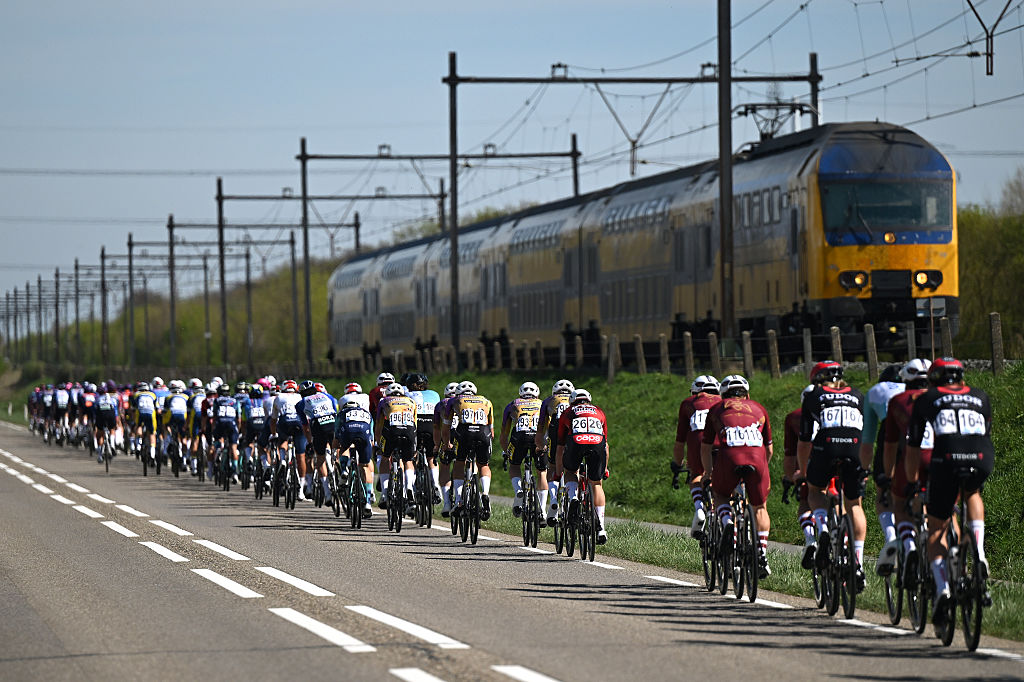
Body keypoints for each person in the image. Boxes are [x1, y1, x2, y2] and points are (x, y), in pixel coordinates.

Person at [905, 357, 994, 634]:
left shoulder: (926, 398)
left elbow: (914, 447)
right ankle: (978, 551)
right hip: (981, 456)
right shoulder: (981, 396)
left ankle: (943, 588)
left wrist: (913, 482)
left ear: (934, 379)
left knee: (937, 528)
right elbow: (985, 430)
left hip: (945, 459)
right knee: (972, 493)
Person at [797, 361, 868, 592]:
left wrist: (805, 472)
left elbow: (805, 440)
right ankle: (857, 563)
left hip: (826, 448)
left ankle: (824, 526)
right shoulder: (858, 395)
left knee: (816, 491)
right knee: (854, 503)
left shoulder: (814, 395)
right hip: (855, 448)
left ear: (817, 379)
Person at [701, 375, 773, 577]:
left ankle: (727, 523)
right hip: (757, 458)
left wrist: (708, 473)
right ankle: (762, 554)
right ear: (747, 394)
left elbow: (706, 446)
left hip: (729, 456)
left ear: (722, 396)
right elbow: (769, 449)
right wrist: (762, 469)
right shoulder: (759, 408)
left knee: (721, 495)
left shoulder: (717, 409)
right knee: (759, 506)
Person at [880, 359, 932, 581]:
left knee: (899, 503)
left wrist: (887, 476)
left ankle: (909, 544)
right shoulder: (941, 398)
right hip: (944, 458)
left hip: (911, 458)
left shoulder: (898, 400)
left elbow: (890, 445)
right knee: (945, 511)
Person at [858, 363, 905, 575]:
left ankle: (891, 537)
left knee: (883, 491)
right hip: (925, 438)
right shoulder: (916, 391)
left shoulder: (875, 392)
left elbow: (867, 442)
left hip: (891, 438)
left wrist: (864, 470)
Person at [556, 388, 610, 544]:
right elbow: (605, 445)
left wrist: (559, 473)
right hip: (597, 444)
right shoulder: (599, 411)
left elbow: (560, 446)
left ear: (572, 400)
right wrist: (604, 469)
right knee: (596, 483)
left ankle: (573, 497)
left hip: (576, 442)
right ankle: (601, 528)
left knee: (571, 472)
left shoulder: (568, 411)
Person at [672, 375, 721, 538]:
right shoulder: (724, 401)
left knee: (697, 475)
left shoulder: (688, 403)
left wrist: (677, 465)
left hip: (698, 441)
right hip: (725, 441)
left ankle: (700, 509)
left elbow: (680, 441)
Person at [442, 381, 495, 520]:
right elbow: (492, 430)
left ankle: (459, 500)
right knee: (483, 465)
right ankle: (485, 493)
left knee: (459, 463)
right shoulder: (486, 401)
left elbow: (446, 427)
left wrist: (447, 443)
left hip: (464, 433)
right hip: (483, 433)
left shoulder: (454, 400)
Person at [499, 382, 546, 524]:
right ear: (537, 393)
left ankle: (519, 490)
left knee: (514, 465)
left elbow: (503, 435)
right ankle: (543, 510)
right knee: (541, 471)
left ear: (520, 393)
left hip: (519, 437)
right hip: (538, 437)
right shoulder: (542, 404)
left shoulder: (513, 404)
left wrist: (507, 452)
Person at [783, 384, 817, 565]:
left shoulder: (795, 416)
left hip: (811, 465)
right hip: (841, 458)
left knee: (806, 502)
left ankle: (810, 538)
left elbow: (790, 455)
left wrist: (792, 477)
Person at [536, 379, 574, 526]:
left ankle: (553, 500)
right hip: (573, 431)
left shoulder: (548, 401)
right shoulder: (575, 400)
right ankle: (573, 498)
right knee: (573, 469)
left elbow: (541, 428)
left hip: (555, 430)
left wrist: (541, 446)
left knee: (552, 466)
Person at [374, 382, 418, 511]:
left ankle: (385, 492)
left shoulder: (384, 401)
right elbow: (415, 424)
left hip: (392, 431)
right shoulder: (411, 401)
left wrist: (378, 443)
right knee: (408, 460)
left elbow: (379, 424)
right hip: (409, 431)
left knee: (385, 457)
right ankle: (409, 487)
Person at [334, 382, 375, 517]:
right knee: (365, 466)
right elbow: (371, 436)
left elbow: (336, 436)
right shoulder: (366, 412)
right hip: (364, 433)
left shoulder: (341, 413)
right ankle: (368, 501)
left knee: (343, 447)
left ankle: (345, 469)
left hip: (348, 432)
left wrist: (336, 449)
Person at [298, 380, 339, 503]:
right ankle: (342, 471)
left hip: (318, 426)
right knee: (337, 449)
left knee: (320, 459)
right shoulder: (328, 396)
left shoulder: (301, 403)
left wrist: (310, 442)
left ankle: (327, 493)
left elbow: (305, 426)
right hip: (333, 422)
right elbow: (335, 411)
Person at [406, 374, 442, 503]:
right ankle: (436, 484)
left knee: (410, 456)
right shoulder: (435, 394)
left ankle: (410, 486)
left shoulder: (407, 395)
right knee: (431, 457)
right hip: (431, 424)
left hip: (416, 425)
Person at [433, 381, 461, 517]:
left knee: (444, 466)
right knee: (465, 463)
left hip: (447, 435)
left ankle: (447, 503)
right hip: (464, 436)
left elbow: (437, 428)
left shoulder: (441, 404)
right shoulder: (466, 402)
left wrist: (438, 445)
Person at [212, 383, 241, 483]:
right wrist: (238, 429)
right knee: (233, 447)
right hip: (232, 424)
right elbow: (239, 418)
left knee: (218, 439)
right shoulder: (235, 401)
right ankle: (235, 471)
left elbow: (214, 416)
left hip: (220, 423)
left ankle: (218, 451)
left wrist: (213, 429)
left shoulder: (217, 400)